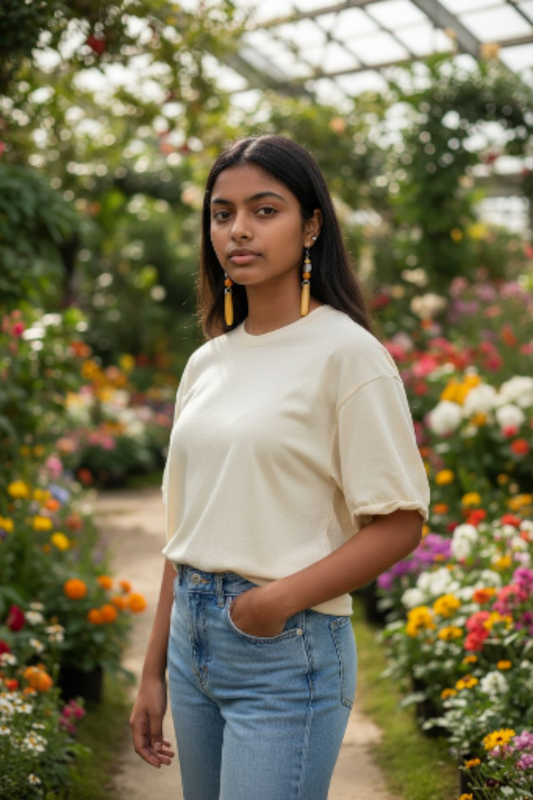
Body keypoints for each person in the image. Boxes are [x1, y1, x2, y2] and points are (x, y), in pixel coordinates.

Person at [129, 133, 430, 800]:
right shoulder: (206, 363)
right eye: (222, 213)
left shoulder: (348, 355)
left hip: (284, 651)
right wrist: (153, 672)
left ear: (311, 226)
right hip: (190, 646)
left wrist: (270, 605)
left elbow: (400, 522)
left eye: (264, 210)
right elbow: (184, 532)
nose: (238, 229)